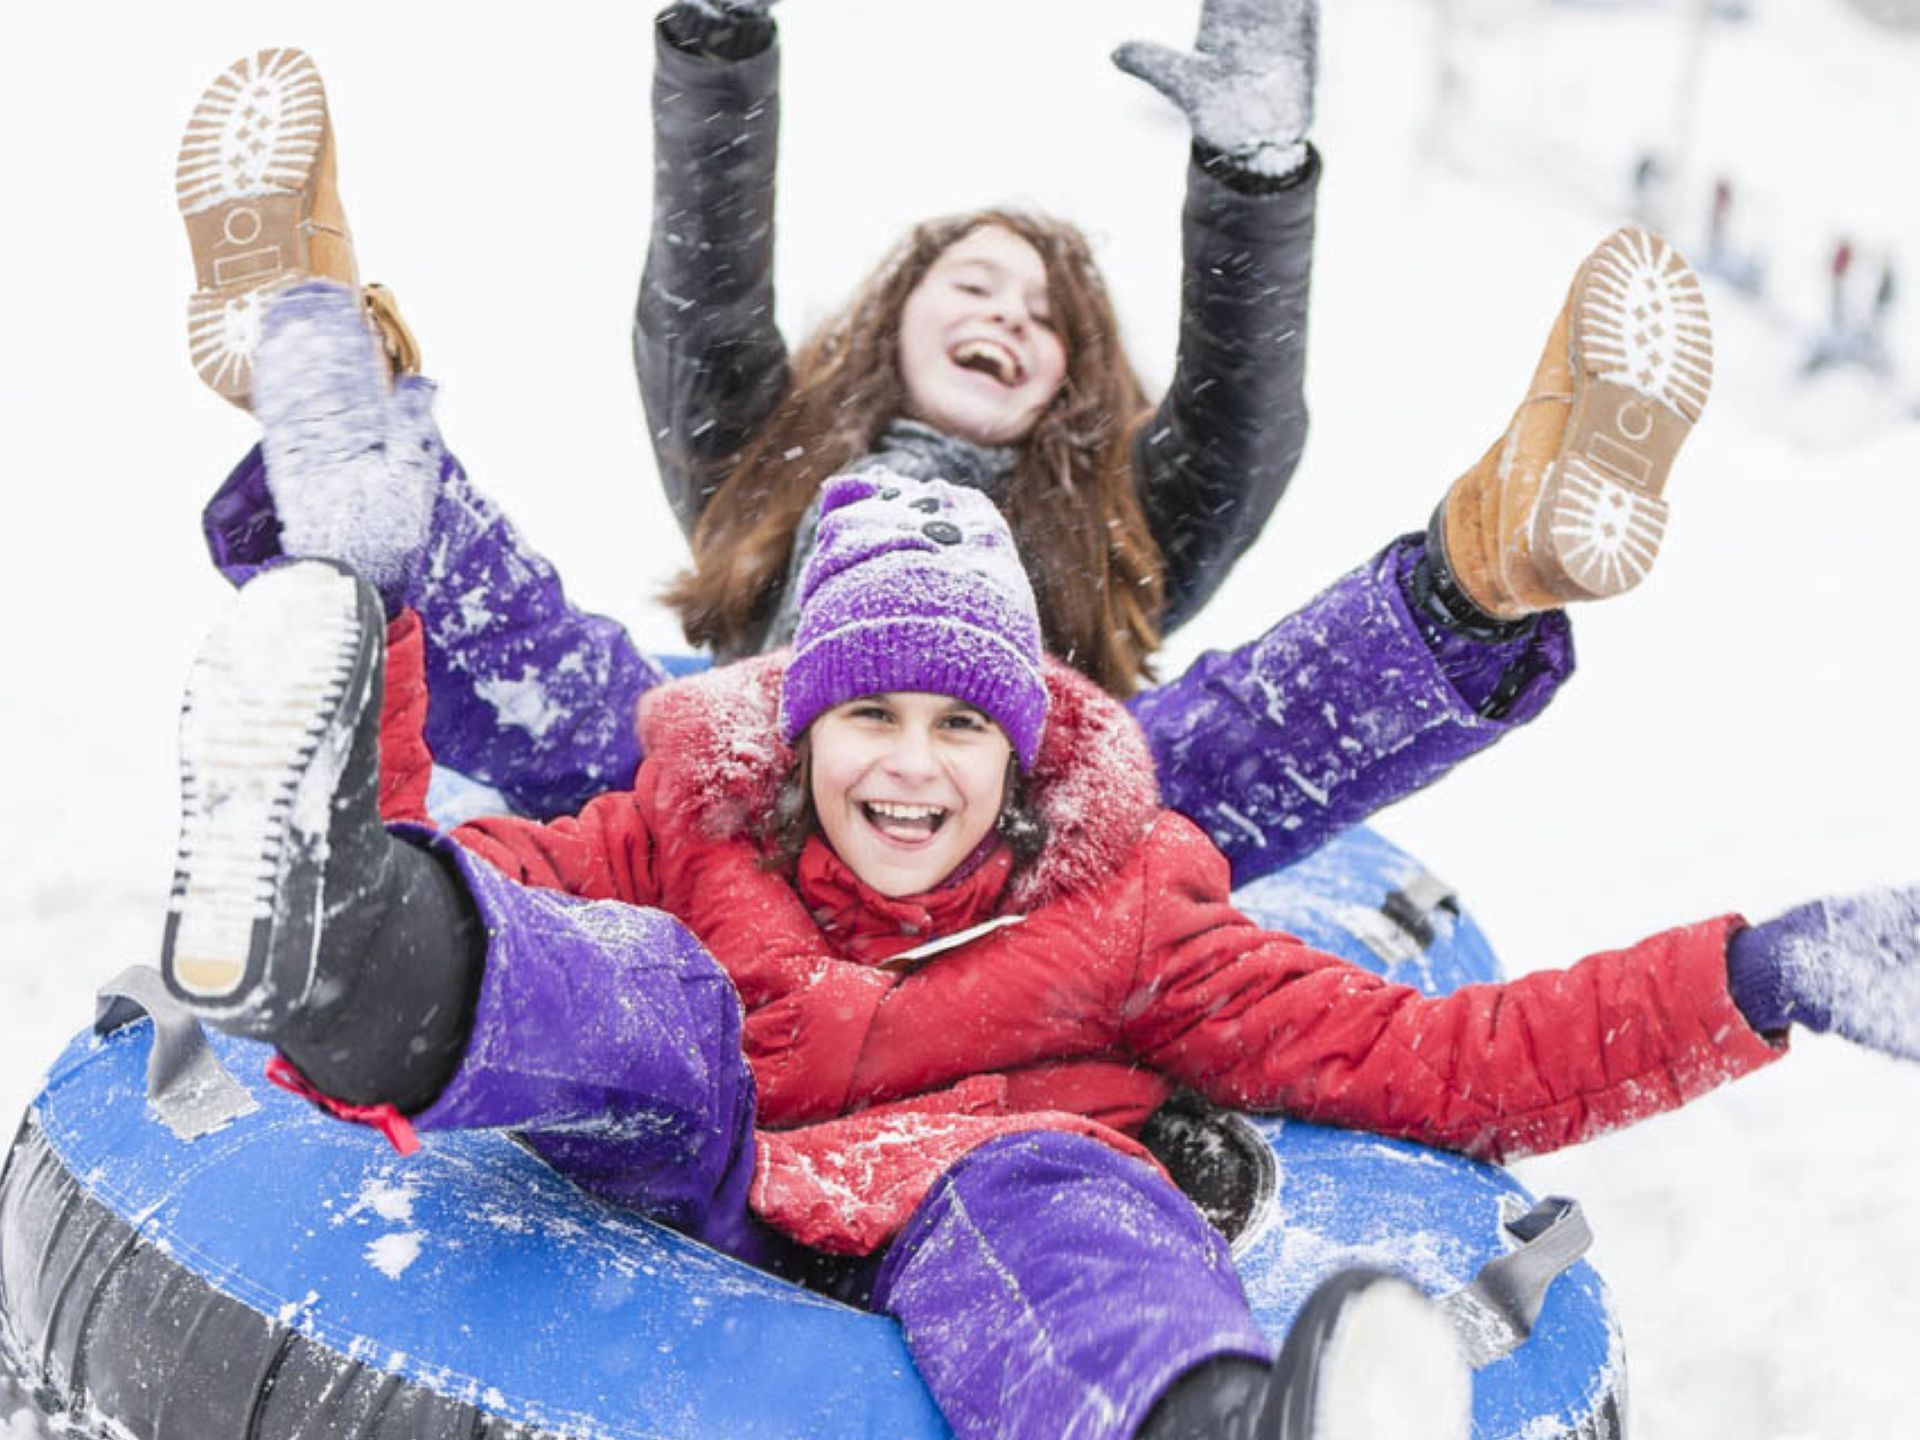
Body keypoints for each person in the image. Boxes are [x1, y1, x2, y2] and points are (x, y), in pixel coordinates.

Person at [160, 474, 1919, 1440]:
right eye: (866, 717)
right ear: (797, 731)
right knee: (639, 998)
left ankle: (1235, 1431)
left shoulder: (1132, 907)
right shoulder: (680, 831)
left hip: (977, 1205)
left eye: (955, 724)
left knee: (1072, 1207)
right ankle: (319, 939)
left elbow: (1432, 1061)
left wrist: (1755, 977)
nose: (907, 767)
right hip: (685, 1170)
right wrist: (369, 625)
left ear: (1024, 751)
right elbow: (486, 889)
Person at [181, 27, 1706, 898]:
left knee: (1201, 757)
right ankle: (321, 374)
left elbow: (1243, 417)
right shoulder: (773, 456)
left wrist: (1253, 176)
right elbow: (702, 292)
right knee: (588, 695)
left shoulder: (1112, 520)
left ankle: (1500, 561)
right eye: (971, 284)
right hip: (734, 795)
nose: (1008, 314)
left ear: (1076, 389)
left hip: (1026, 845)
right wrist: (717, 34)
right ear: (890, 319)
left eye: (1047, 318)